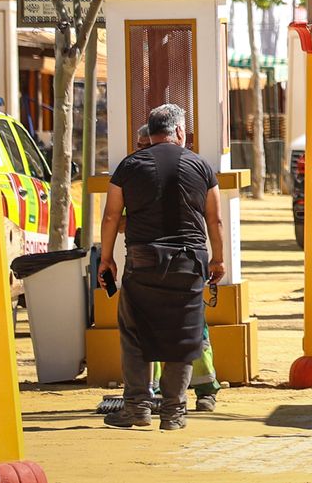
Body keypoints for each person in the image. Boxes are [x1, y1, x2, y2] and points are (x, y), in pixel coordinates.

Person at [98, 104, 225, 430]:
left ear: (150, 132)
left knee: (134, 333)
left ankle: (137, 408)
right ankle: (173, 412)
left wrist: (107, 258)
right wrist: (218, 259)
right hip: (189, 264)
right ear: (180, 131)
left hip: (143, 264)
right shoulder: (201, 166)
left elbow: (112, 215)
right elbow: (215, 219)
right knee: (184, 337)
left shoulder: (129, 166)